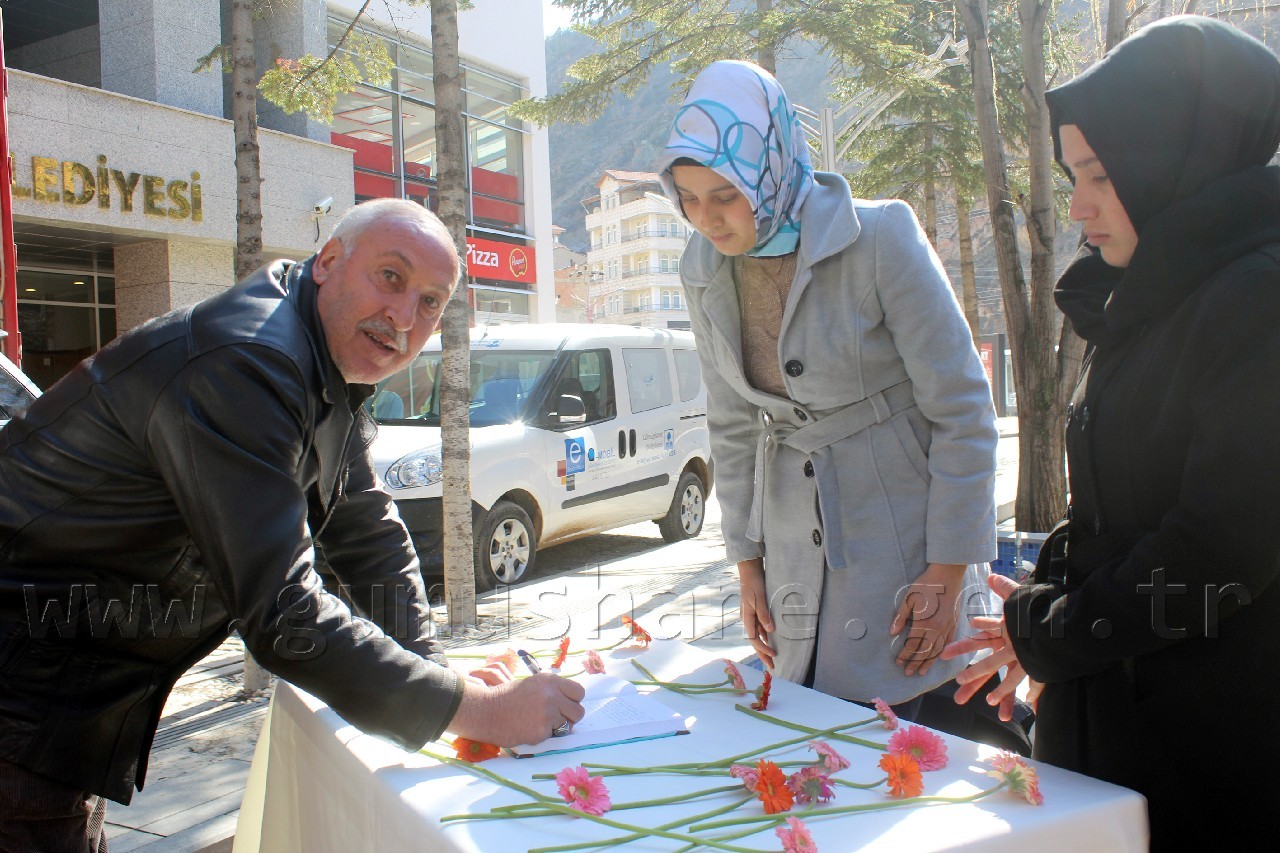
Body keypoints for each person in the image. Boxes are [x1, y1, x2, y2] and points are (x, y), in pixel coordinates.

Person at [0, 199, 584, 850]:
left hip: (60, 701)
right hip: (22, 697)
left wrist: (437, 673)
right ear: (329, 260)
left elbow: (367, 532)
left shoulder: (318, 353)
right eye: (390, 277)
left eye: (429, 302)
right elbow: (284, 615)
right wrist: (479, 710)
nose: (403, 316)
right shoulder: (247, 362)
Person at [941, 16, 1280, 850]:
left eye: (1100, 173)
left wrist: (1054, 632)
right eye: (1071, 175)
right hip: (1119, 724)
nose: (1079, 205)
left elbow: (1218, 550)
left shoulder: (1255, 300)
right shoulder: (1150, 296)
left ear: (1176, 158)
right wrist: (1043, 602)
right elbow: (1119, 503)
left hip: (1210, 750)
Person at [657, 61, 998, 720]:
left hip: (905, 537)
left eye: (724, 194)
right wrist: (748, 564)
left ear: (770, 167)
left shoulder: (880, 237)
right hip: (792, 543)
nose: (707, 219)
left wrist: (949, 570)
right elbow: (731, 425)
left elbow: (962, 408)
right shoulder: (701, 269)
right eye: (688, 198)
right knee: (816, 736)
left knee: (921, 735)